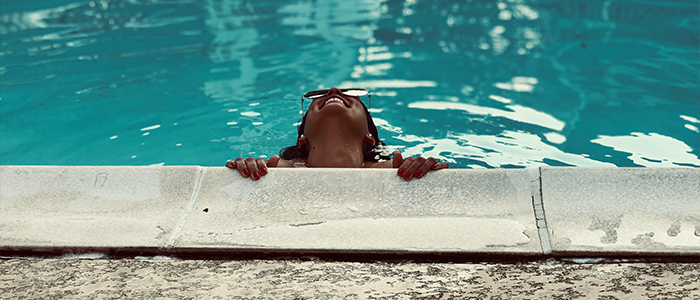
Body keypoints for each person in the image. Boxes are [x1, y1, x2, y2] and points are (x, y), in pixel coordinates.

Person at [226, 87, 448, 181]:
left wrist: (428, 170)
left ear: (370, 137)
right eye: (319, 94)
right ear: (302, 138)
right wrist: (246, 168)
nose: (335, 91)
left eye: (352, 94)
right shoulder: (272, 168)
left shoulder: (398, 170)